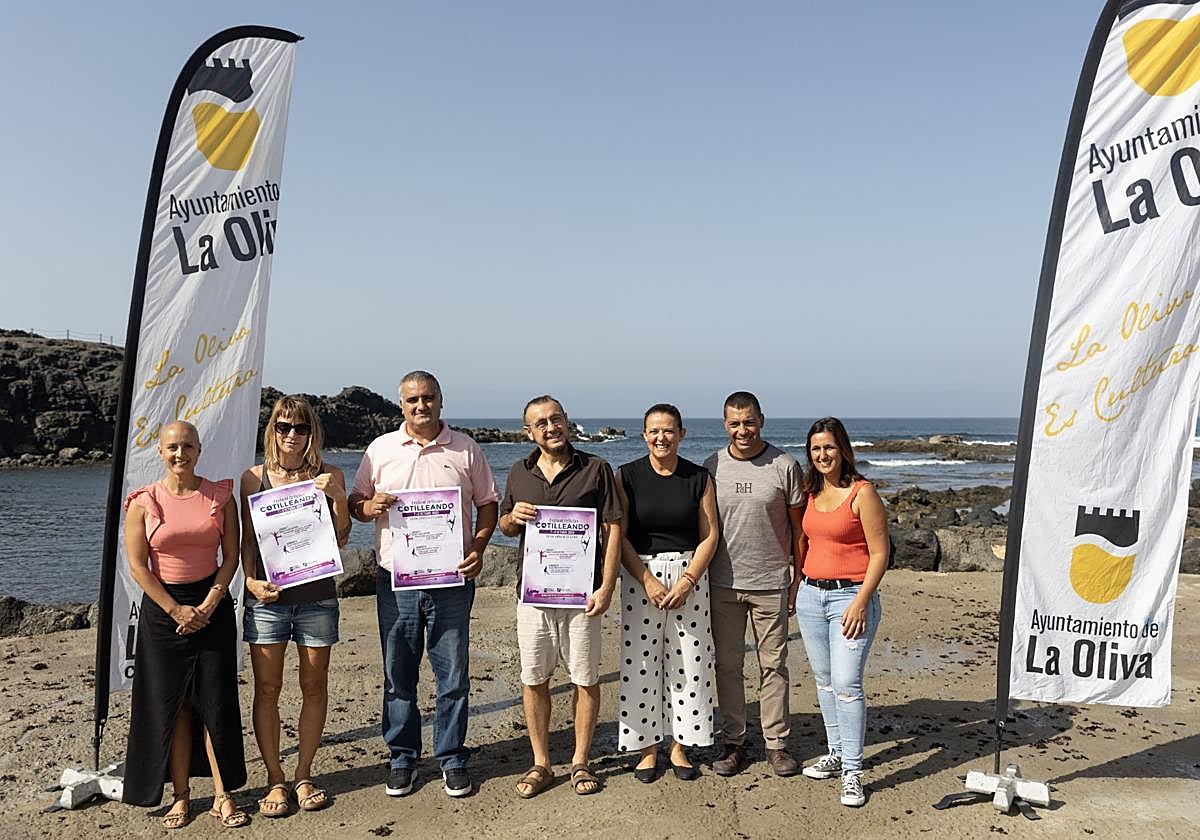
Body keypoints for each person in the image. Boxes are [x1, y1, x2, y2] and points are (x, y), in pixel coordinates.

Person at [349, 371, 499, 798]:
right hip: (396, 583)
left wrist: (481, 545)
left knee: (453, 675)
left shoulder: (466, 449)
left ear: (440, 400)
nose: (421, 406)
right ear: (401, 404)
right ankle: (402, 757)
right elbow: (355, 502)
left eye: (428, 398)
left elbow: (488, 503)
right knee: (398, 673)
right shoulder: (380, 449)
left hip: (452, 582)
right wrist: (368, 506)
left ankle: (451, 757)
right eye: (412, 399)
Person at [121, 421, 248, 829]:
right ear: (160, 451)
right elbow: (139, 567)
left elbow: (231, 557)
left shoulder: (219, 496)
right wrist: (176, 610)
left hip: (212, 606)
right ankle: (180, 796)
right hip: (163, 612)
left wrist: (209, 603)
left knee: (215, 703)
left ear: (199, 449)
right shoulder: (143, 501)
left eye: (188, 446)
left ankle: (223, 794)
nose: (181, 454)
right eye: (173, 447)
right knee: (173, 706)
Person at [498, 395, 622, 798]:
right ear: (529, 432)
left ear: (567, 421)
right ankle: (541, 763)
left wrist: (607, 586)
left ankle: (580, 762)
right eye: (541, 423)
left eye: (556, 419)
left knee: (585, 679)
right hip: (533, 596)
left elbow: (614, 529)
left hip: (582, 595)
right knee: (534, 678)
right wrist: (512, 518)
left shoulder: (596, 469)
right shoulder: (519, 471)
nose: (550, 427)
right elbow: (504, 524)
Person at [239, 396, 351, 816]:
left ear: (312, 433)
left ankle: (303, 773)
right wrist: (249, 580)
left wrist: (338, 495)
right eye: (282, 427)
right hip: (268, 600)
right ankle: (274, 777)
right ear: (272, 430)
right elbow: (249, 540)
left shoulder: (330, 474)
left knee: (314, 686)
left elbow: (341, 537)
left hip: (317, 598)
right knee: (267, 689)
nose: (290, 435)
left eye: (299, 428)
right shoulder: (253, 478)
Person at [614, 404, 719, 782]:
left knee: (690, 661)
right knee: (641, 661)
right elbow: (619, 535)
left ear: (682, 434)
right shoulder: (626, 476)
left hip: (689, 575)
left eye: (669, 431)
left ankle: (679, 746)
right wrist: (647, 579)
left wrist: (688, 579)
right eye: (654, 431)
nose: (661, 437)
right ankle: (646, 747)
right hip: (641, 574)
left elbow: (710, 534)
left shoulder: (699, 476)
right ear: (644, 435)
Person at [704, 391, 804, 777]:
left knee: (774, 665)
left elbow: (798, 528)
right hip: (722, 583)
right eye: (734, 423)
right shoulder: (712, 466)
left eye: (749, 421)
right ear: (725, 424)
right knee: (727, 665)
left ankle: (777, 745)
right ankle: (734, 742)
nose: (742, 429)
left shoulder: (785, 465)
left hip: (771, 582)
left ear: (762, 420)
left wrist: (797, 576)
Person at [792, 417, 887, 808]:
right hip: (811, 597)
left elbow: (881, 553)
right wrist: (797, 586)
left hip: (851, 599)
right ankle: (834, 753)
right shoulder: (810, 492)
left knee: (848, 685)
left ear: (843, 449)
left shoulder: (863, 492)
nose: (822, 455)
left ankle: (853, 770)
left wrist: (862, 600)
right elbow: (803, 541)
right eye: (815, 448)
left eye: (829, 447)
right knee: (826, 681)